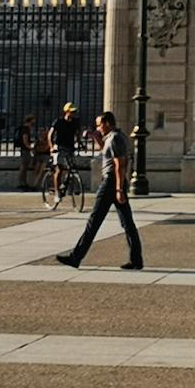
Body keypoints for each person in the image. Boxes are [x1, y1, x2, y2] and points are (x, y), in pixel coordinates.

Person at [56, 111, 144, 270]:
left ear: (108, 123)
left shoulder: (115, 138)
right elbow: (107, 152)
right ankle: (136, 259)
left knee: (94, 220)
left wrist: (118, 189)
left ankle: (76, 257)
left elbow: (119, 164)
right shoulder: (114, 137)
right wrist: (95, 137)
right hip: (114, 182)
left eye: (99, 124)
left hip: (111, 182)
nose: (98, 127)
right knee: (127, 223)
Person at [47, 103, 82, 205]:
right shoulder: (59, 122)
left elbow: (78, 133)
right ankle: (57, 193)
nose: (74, 114)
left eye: (74, 112)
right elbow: (50, 135)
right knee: (59, 169)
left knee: (72, 167)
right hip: (59, 146)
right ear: (66, 112)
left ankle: (69, 184)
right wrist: (52, 147)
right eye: (72, 112)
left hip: (70, 147)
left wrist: (80, 143)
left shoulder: (75, 122)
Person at [15, 114, 38, 191]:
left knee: (25, 166)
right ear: (30, 120)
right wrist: (31, 148)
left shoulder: (25, 128)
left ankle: (23, 182)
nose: (34, 121)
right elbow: (25, 141)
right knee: (24, 167)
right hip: (25, 150)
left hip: (25, 149)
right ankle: (22, 183)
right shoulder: (25, 129)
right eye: (33, 119)